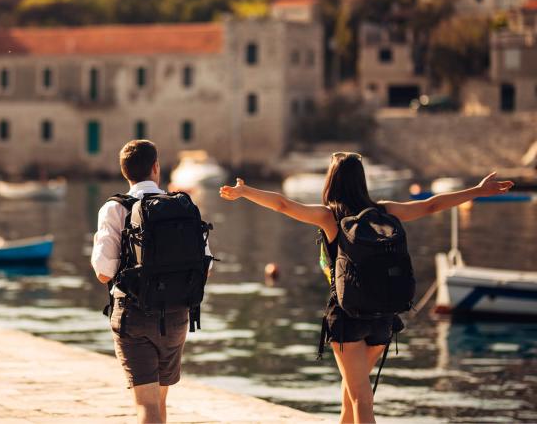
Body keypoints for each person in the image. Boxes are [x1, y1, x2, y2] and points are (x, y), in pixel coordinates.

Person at [219, 152, 513, 424]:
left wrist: (245, 192)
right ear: (362, 180)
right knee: (351, 394)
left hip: (347, 316)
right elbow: (431, 205)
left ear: (331, 181)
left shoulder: (330, 217)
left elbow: (283, 204)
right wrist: (477, 191)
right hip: (383, 316)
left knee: (361, 398)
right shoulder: (384, 211)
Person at [92, 140, 212, 424]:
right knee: (159, 400)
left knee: (146, 405)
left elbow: (104, 273)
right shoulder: (182, 205)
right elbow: (205, 266)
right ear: (156, 167)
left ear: (125, 172)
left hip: (134, 315)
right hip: (177, 316)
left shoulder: (114, 209)